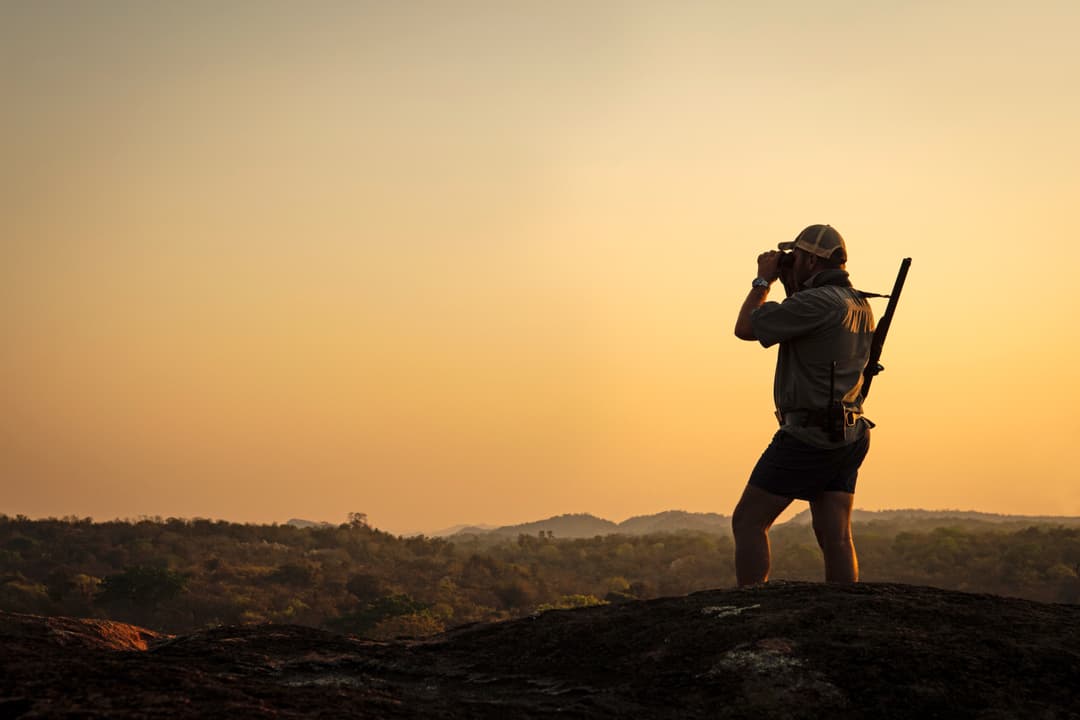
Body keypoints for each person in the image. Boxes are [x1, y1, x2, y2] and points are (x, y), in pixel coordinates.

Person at [731, 224, 875, 585]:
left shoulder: (816, 303)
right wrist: (793, 280)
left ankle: (750, 606)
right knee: (836, 535)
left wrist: (763, 281)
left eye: (796, 258)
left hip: (808, 435)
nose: (789, 264)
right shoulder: (857, 303)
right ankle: (844, 611)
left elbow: (746, 327)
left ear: (811, 259)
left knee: (749, 520)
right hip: (849, 431)